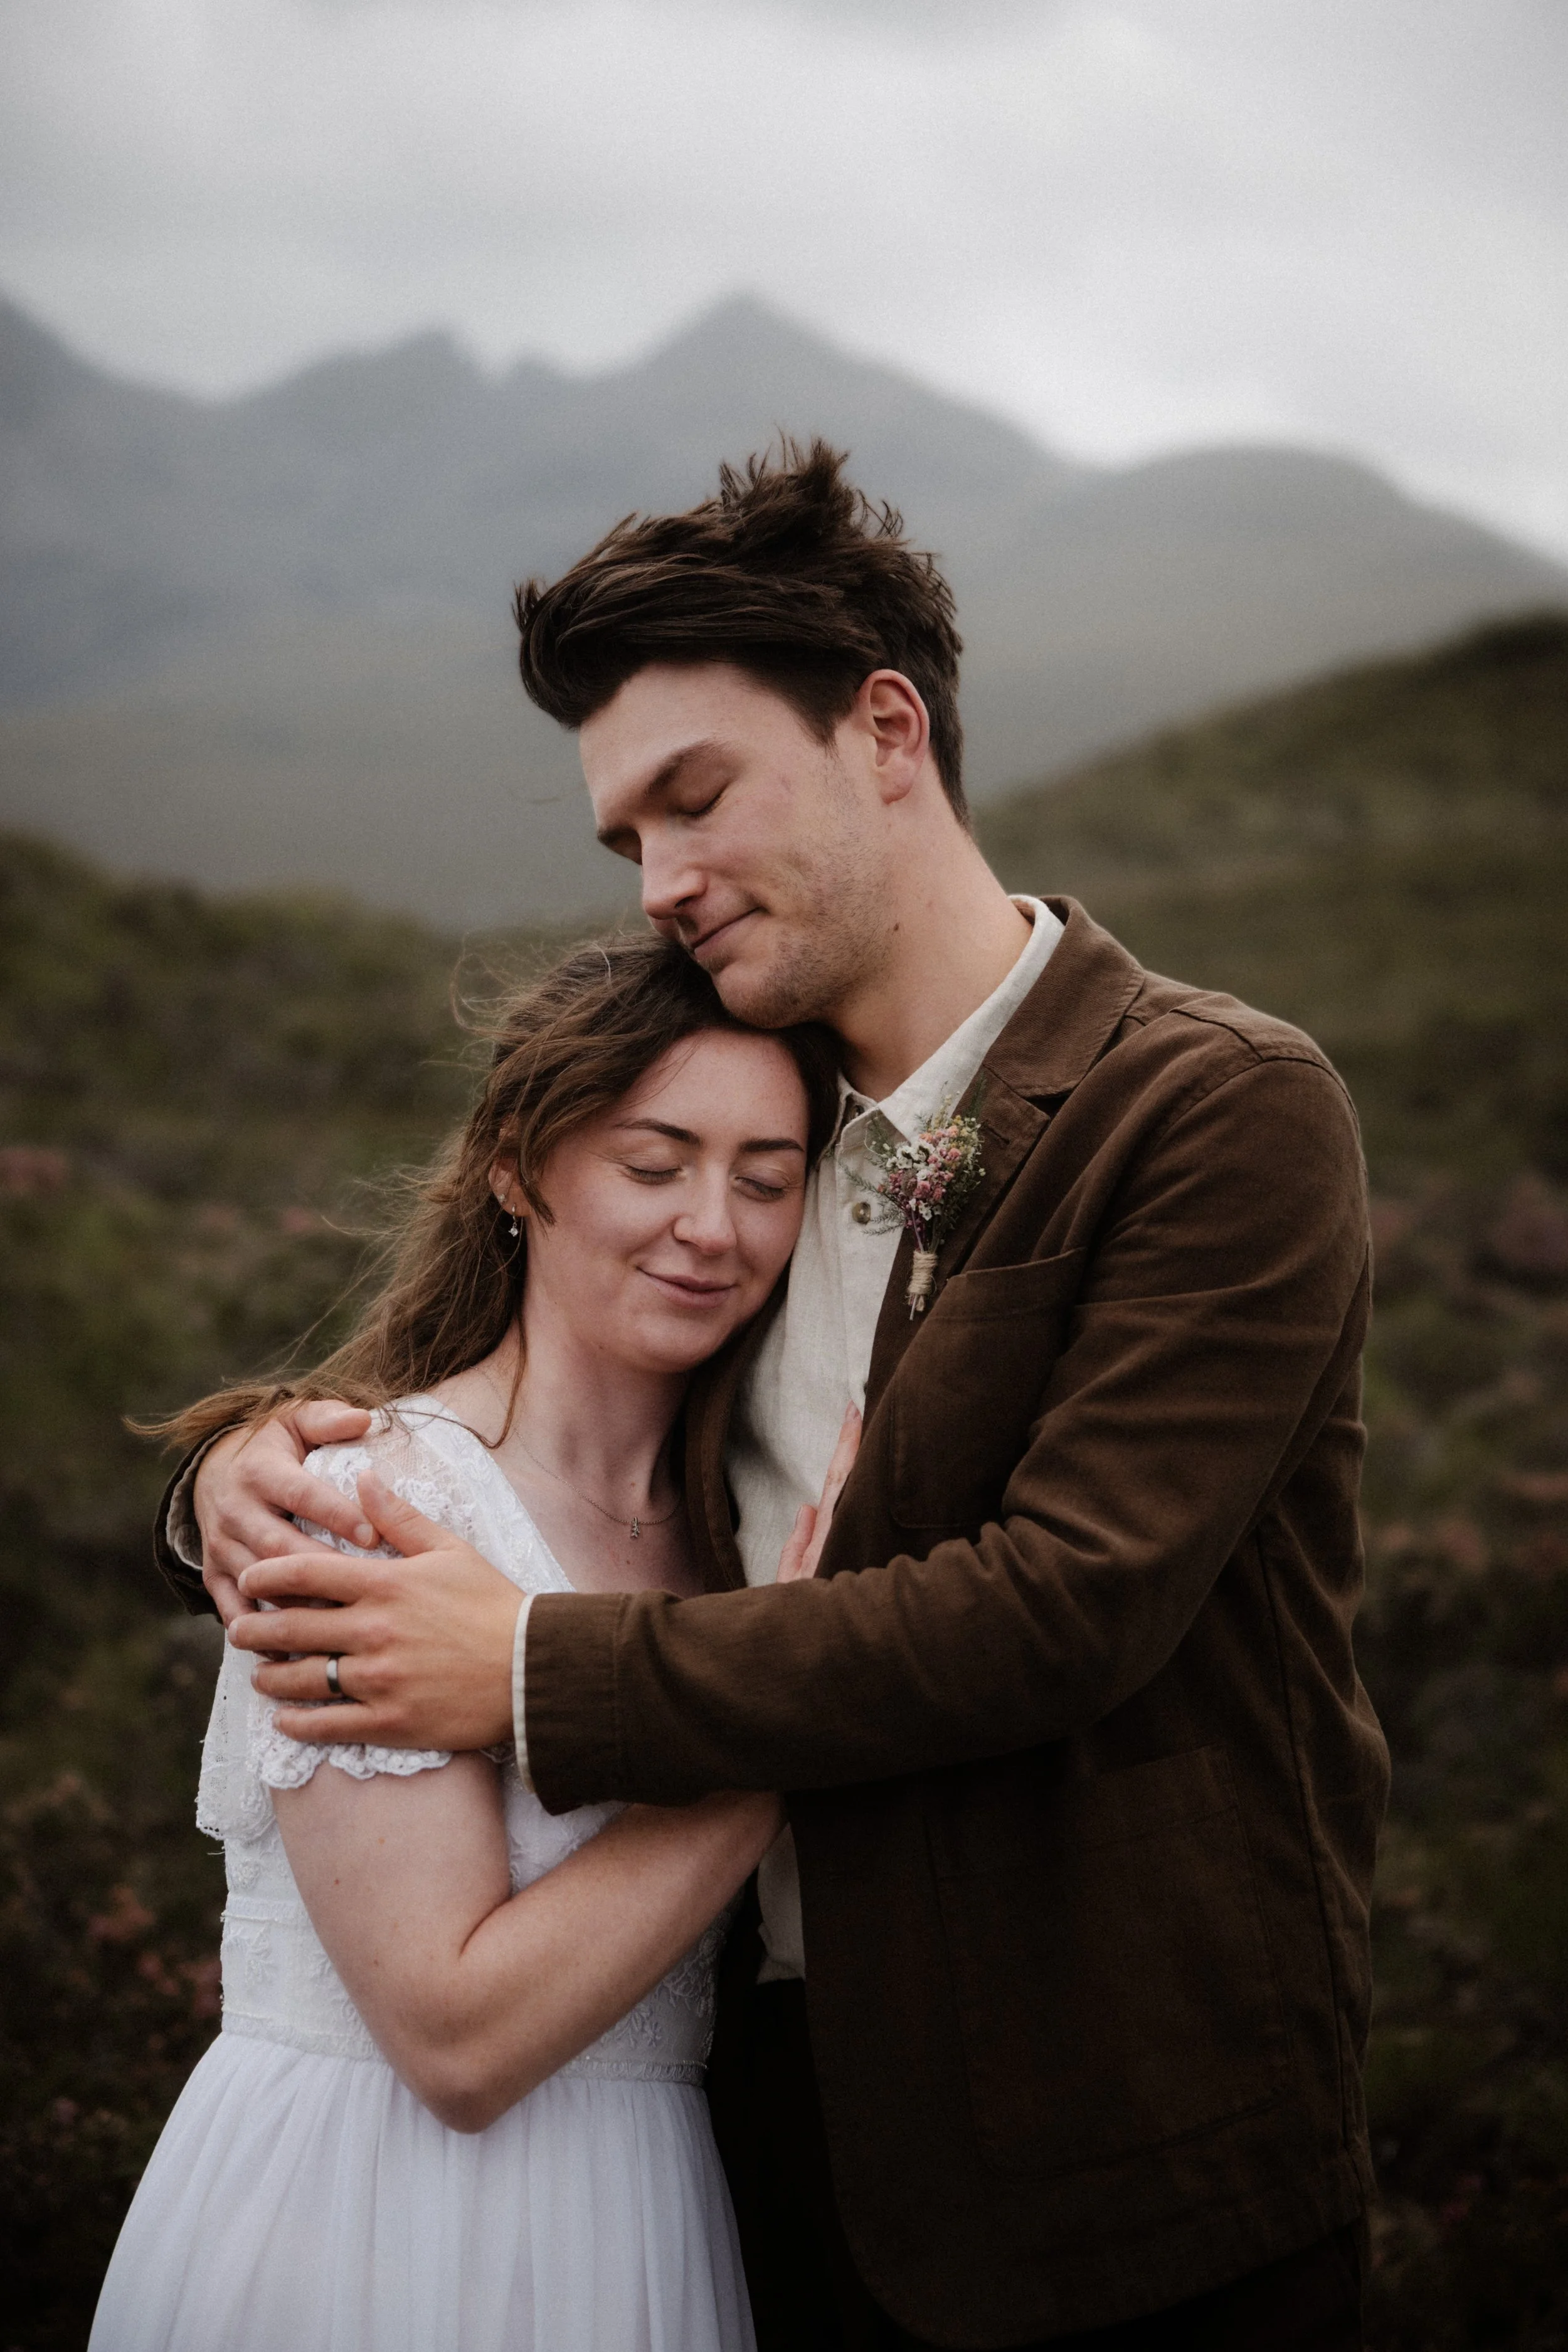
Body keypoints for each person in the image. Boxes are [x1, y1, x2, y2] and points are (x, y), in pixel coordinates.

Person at [159, 443, 1389, 2349]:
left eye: (696, 798)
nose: (661, 882)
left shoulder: (1212, 1105)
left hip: (1120, 2172)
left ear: (885, 728)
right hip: (757, 2154)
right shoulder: (751, 1117)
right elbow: (539, 1397)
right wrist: (258, 1464)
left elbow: (1061, 1603)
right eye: (623, 841)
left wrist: (523, 1668)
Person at [95, 936, 849, 2352]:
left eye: (766, 1178)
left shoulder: (735, 1533)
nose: (713, 1226)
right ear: (518, 1170)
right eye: (652, 1163)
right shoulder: (370, 1501)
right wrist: (793, 1720)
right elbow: (452, 2036)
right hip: (371, 2224)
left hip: (644, 2221)